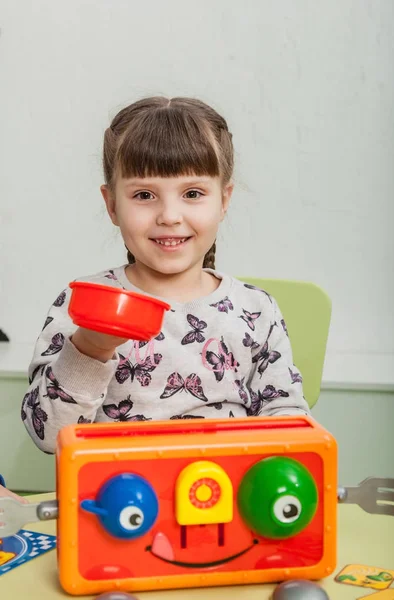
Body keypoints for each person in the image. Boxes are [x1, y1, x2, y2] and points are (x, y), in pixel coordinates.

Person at [18, 96, 309, 461]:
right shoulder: (84, 302)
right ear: (111, 205)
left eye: (192, 193)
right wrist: (89, 348)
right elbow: (49, 436)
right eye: (144, 195)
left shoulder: (255, 309)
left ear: (224, 199)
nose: (169, 215)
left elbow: (287, 421)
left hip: (224, 501)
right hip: (115, 505)